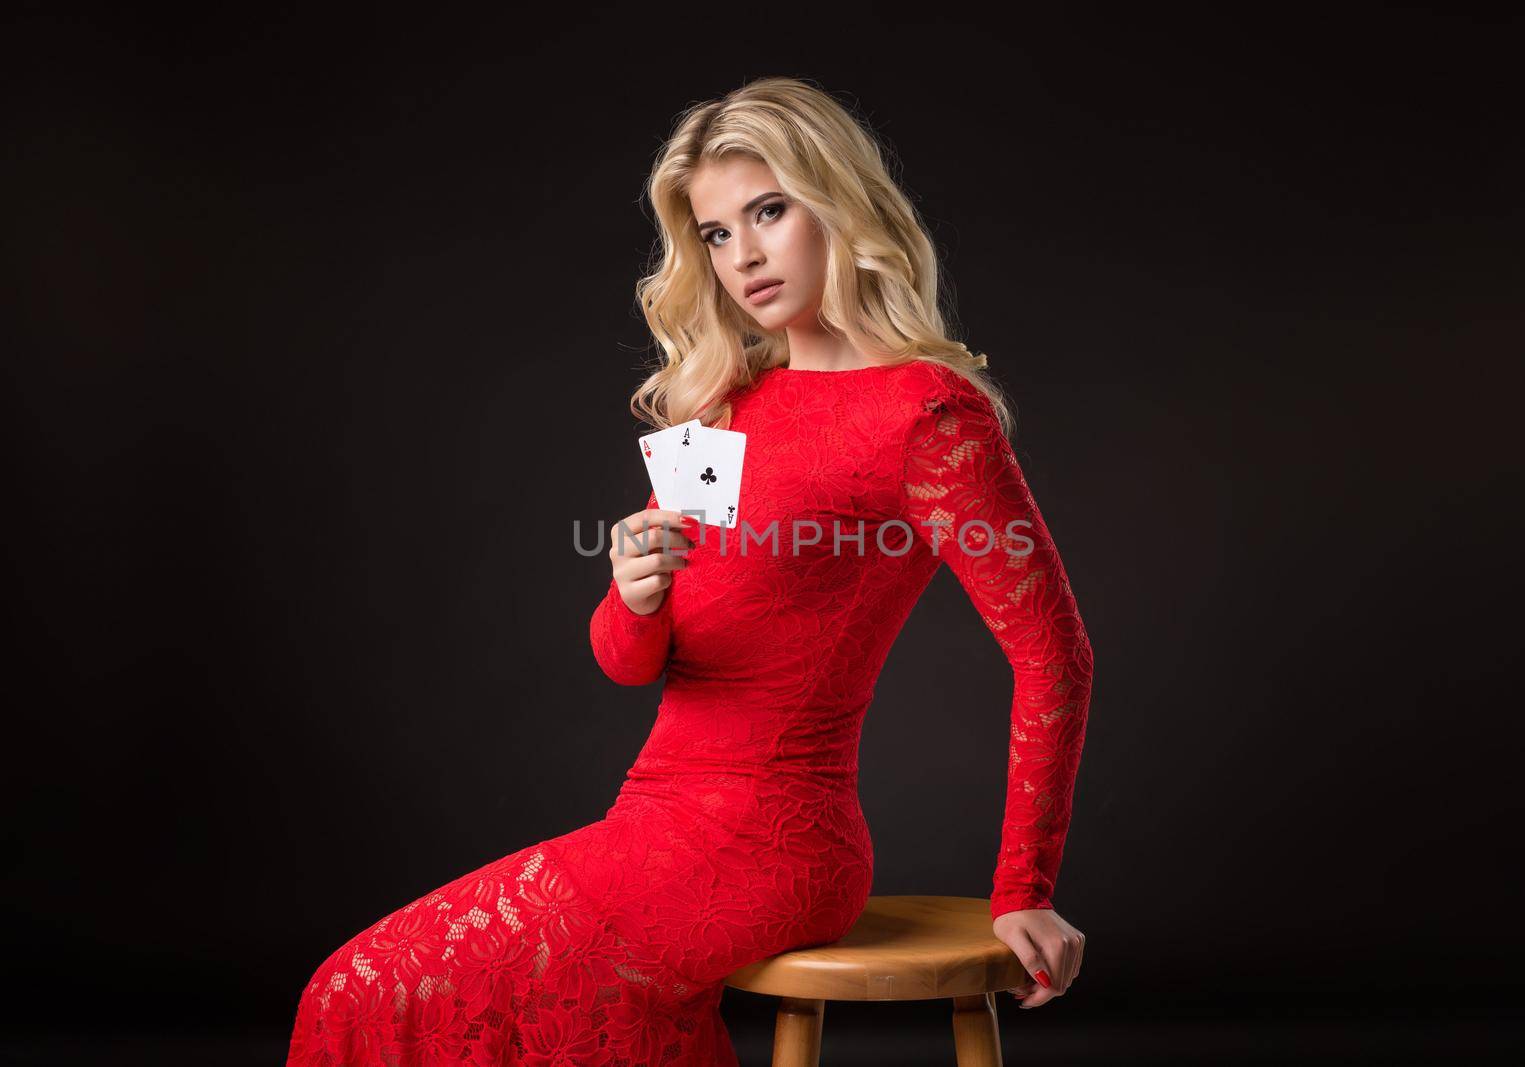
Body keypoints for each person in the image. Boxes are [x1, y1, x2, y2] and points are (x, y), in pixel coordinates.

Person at [286, 75, 1093, 1066]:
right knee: (369, 990)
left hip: (771, 843)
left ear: (837, 201)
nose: (742, 255)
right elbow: (634, 664)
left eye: (768, 210)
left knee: (357, 987)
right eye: (714, 233)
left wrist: (1024, 887)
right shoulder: (725, 402)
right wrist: (631, 593)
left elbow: (1055, 656)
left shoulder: (925, 415)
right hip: (656, 815)